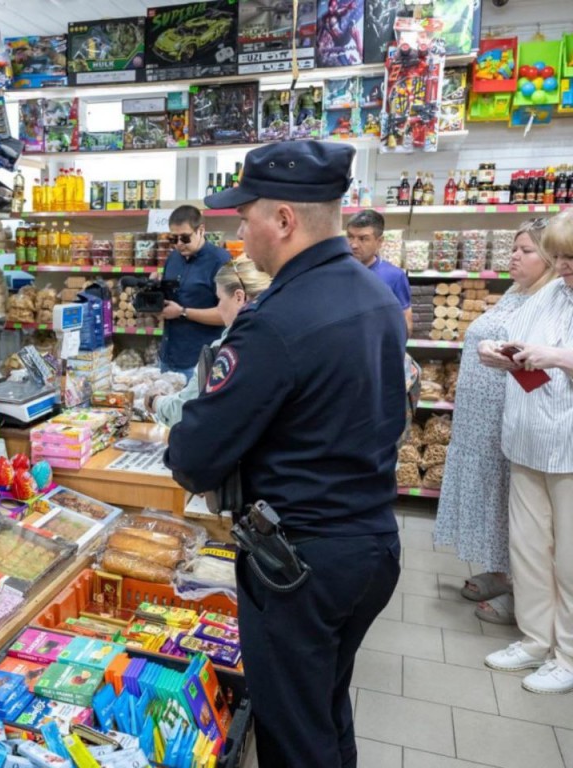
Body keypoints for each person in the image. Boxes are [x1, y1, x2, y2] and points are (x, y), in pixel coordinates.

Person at [165, 140, 406, 767]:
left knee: (292, 734)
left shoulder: (275, 319)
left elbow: (194, 456)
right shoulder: (376, 296)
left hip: (299, 562)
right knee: (325, 706)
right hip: (372, 543)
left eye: (245, 214)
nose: (239, 229)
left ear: (284, 220)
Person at [434, 220, 555, 625]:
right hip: (479, 419)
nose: (514, 256)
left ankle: (525, 592)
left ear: (552, 258)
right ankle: (502, 571)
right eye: (514, 248)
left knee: (518, 508)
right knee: (495, 500)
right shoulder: (516, 293)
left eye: (526, 250)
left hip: (515, 416)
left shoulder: (551, 300)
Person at [479, 211, 573, 694]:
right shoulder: (552, 292)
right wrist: (500, 352)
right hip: (528, 438)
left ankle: (569, 654)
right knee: (531, 550)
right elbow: (519, 337)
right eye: (558, 256)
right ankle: (537, 640)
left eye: (571, 257)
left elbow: (557, 355)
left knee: (569, 558)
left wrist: (557, 358)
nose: (563, 266)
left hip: (569, 449)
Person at [149, 259, 271, 427]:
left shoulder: (228, 349)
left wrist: (156, 401)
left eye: (219, 299)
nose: (219, 308)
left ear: (239, 297)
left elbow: (189, 412)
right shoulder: (276, 335)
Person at [157, 205, 230, 381]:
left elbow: (227, 314)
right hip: (168, 358)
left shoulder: (220, 261)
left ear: (201, 231)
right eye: (173, 238)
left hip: (200, 364)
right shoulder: (173, 258)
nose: (179, 244)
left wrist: (183, 312)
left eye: (184, 238)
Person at [347, 209, 412, 335]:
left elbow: (405, 322)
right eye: (350, 237)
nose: (354, 245)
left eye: (363, 239)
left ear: (379, 241)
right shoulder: (337, 272)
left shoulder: (394, 277)